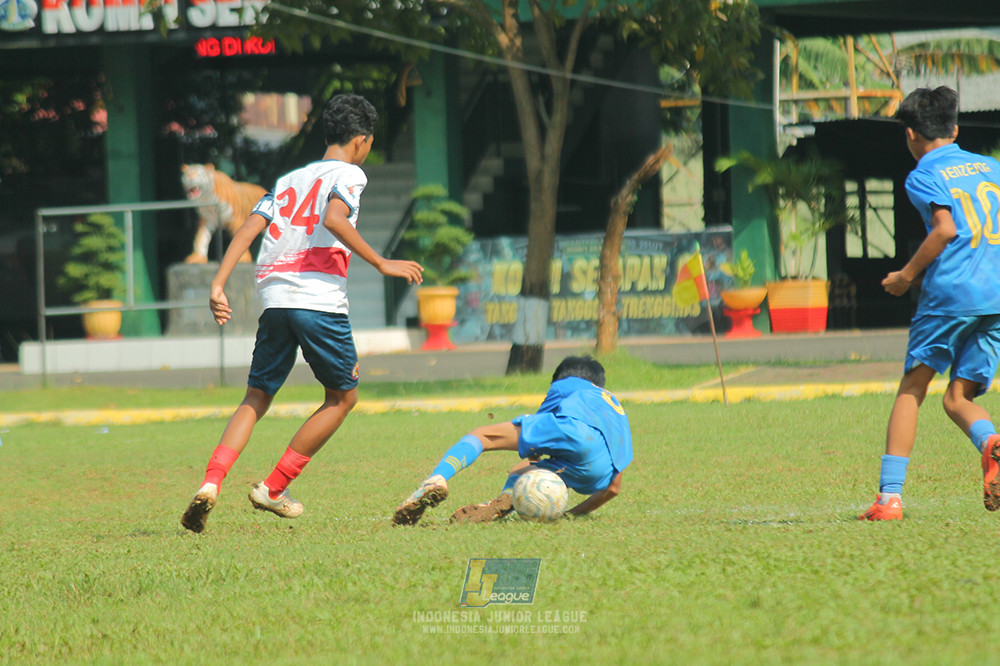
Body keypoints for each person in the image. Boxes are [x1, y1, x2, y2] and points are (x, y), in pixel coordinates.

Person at [181, 94, 424, 533]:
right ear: (362, 141)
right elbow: (334, 219)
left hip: (274, 300)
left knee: (256, 397)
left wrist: (218, 282)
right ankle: (273, 488)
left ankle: (211, 483)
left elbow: (251, 229)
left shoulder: (290, 178)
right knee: (342, 397)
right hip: (318, 301)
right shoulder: (350, 173)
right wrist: (383, 262)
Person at [860, 86, 1000, 521]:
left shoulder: (923, 173)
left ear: (910, 135)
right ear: (955, 129)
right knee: (958, 397)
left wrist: (905, 276)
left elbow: (943, 229)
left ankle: (889, 499)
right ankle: (993, 445)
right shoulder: (991, 167)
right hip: (995, 297)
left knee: (913, 388)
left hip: (949, 296)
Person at [393, 355, 633, 526]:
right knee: (522, 470)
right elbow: (614, 488)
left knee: (483, 435)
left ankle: (437, 479)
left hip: (573, 430)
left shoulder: (566, 384)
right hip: (597, 472)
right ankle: (498, 504)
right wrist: (569, 515)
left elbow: (537, 439)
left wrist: (533, 454)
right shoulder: (612, 405)